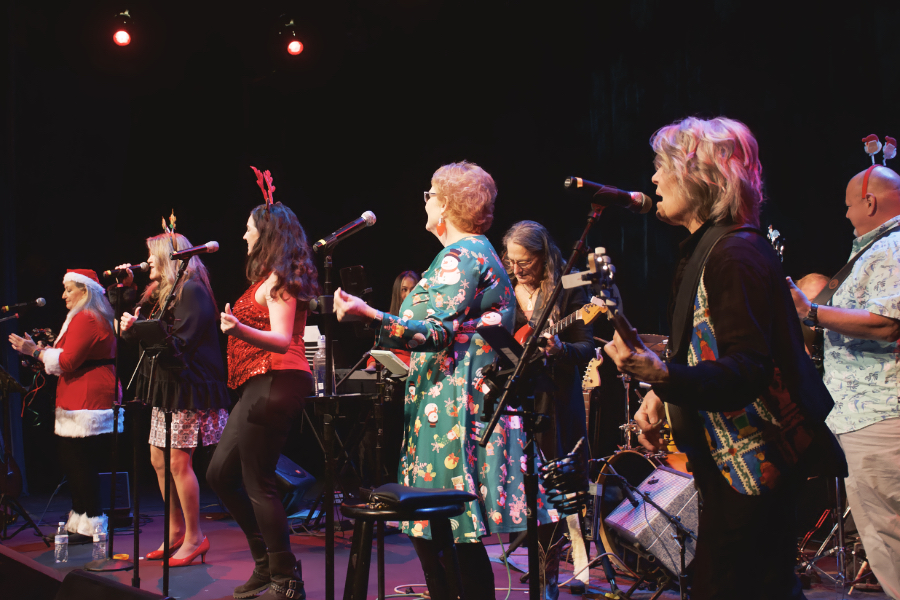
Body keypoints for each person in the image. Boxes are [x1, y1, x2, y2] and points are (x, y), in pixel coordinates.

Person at [604, 116, 844, 600]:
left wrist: (663, 374)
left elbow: (749, 368)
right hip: (731, 466)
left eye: (661, 166)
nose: (652, 179)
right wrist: (662, 393)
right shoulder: (711, 248)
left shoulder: (734, 254)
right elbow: (703, 345)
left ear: (703, 176)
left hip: (754, 465)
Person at [335, 161, 556, 600]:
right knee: (443, 534)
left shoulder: (462, 256)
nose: (427, 201)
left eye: (430, 194)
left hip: (453, 411)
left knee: (445, 531)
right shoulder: (472, 254)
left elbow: (434, 332)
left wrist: (369, 313)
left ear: (448, 204)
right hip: (448, 405)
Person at [787, 165, 900, 599]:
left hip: (878, 420)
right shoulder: (878, 250)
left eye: (850, 204)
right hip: (871, 419)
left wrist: (809, 311)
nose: (848, 214)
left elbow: (888, 323)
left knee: (890, 543)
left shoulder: (889, 248)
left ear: (870, 202)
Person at [207, 198, 318, 600]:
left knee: (259, 482)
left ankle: (287, 581)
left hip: (278, 379)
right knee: (220, 474)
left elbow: (281, 338)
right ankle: (267, 566)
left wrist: (236, 329)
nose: (244, 234)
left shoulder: (284, 276)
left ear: (267, 232)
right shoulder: (269, 277)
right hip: (257, 384)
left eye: (249, 227)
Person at [118, 232, 230, 566]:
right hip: (166, 386)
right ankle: (175, 530)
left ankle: (196, 537)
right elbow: (139, 330)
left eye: (153, 254)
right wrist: (125, 294)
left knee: (179, 462)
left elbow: (180, 343)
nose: (148, 260)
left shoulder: (192, 290)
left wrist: (138, 329)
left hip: (188, 386)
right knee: (157, 459)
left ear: (170, 257)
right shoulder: (159, 293)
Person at [502, 220, 594, 598]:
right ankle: (540, 571)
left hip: (555, 400)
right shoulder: (505, 287)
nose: (517, 269)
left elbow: (585, 346)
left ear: (543, 256)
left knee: (559, 488)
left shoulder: (568, 285)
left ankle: (557, 576)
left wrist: (561, 350)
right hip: (517, 399)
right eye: (512, 261)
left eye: (524, 262)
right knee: (526, 489)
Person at [9, 269, 120, 543]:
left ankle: (92, 521)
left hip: (86, 396)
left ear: (85, 290)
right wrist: (39, 351)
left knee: (80, 461)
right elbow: (67, 357)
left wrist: (33, 350)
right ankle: (81, 519)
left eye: (69, 289)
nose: (63, 295)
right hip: (80, 392)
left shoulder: (86, 318)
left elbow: (68, 362)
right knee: (75, 460)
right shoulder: (87, 316)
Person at [365, 270, 420, 370]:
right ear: (397, 293)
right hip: (390, 374)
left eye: (413, 290)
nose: (409, 295)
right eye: (404, 289)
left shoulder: (424, 321)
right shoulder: (387, 318)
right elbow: (377, 352)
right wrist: (371, 366)